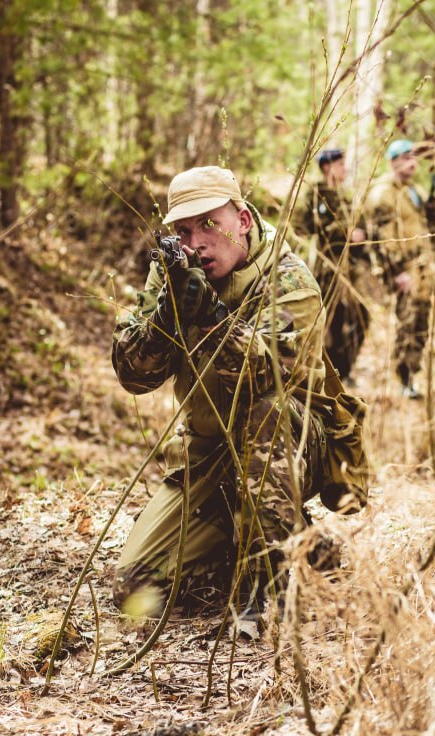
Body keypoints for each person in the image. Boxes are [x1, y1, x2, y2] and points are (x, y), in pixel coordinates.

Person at [110, 166, 368, 613]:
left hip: (292, 442)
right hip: (211, 454)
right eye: (185, 230)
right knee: (136, 591)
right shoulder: (174, 273)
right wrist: (165, 320)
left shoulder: (289, 280)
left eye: (210, 223)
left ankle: (271, 585)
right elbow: (134, 377)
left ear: (243, 221)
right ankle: (301, 546)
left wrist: (210, 317)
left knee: (267, 413)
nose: (197, 242)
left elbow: (267, 378)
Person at [293, 148, 372, 381]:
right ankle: (328, 374)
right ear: (327, 167)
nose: (344, 169)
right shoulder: (316, 195)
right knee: (330, 323)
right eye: (340, 165)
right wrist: (342, 232)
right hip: (326, 271)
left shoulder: (347, 197)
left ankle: (343, 371)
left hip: (351, 271)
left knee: (360, 318)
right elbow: (301, 230)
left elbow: (363, 227)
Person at [366, 139, 433, 399]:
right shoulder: (384, 192)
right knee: (407, 323)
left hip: (421, 268)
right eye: (406, 157)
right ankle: (403, 379)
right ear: (393, 161)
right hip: (404, 269)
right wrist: (396, 272)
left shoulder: (413, 191)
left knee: (420, 323)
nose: (413, 162)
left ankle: (412, 377)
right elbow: (380, 237)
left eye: (414, 156)